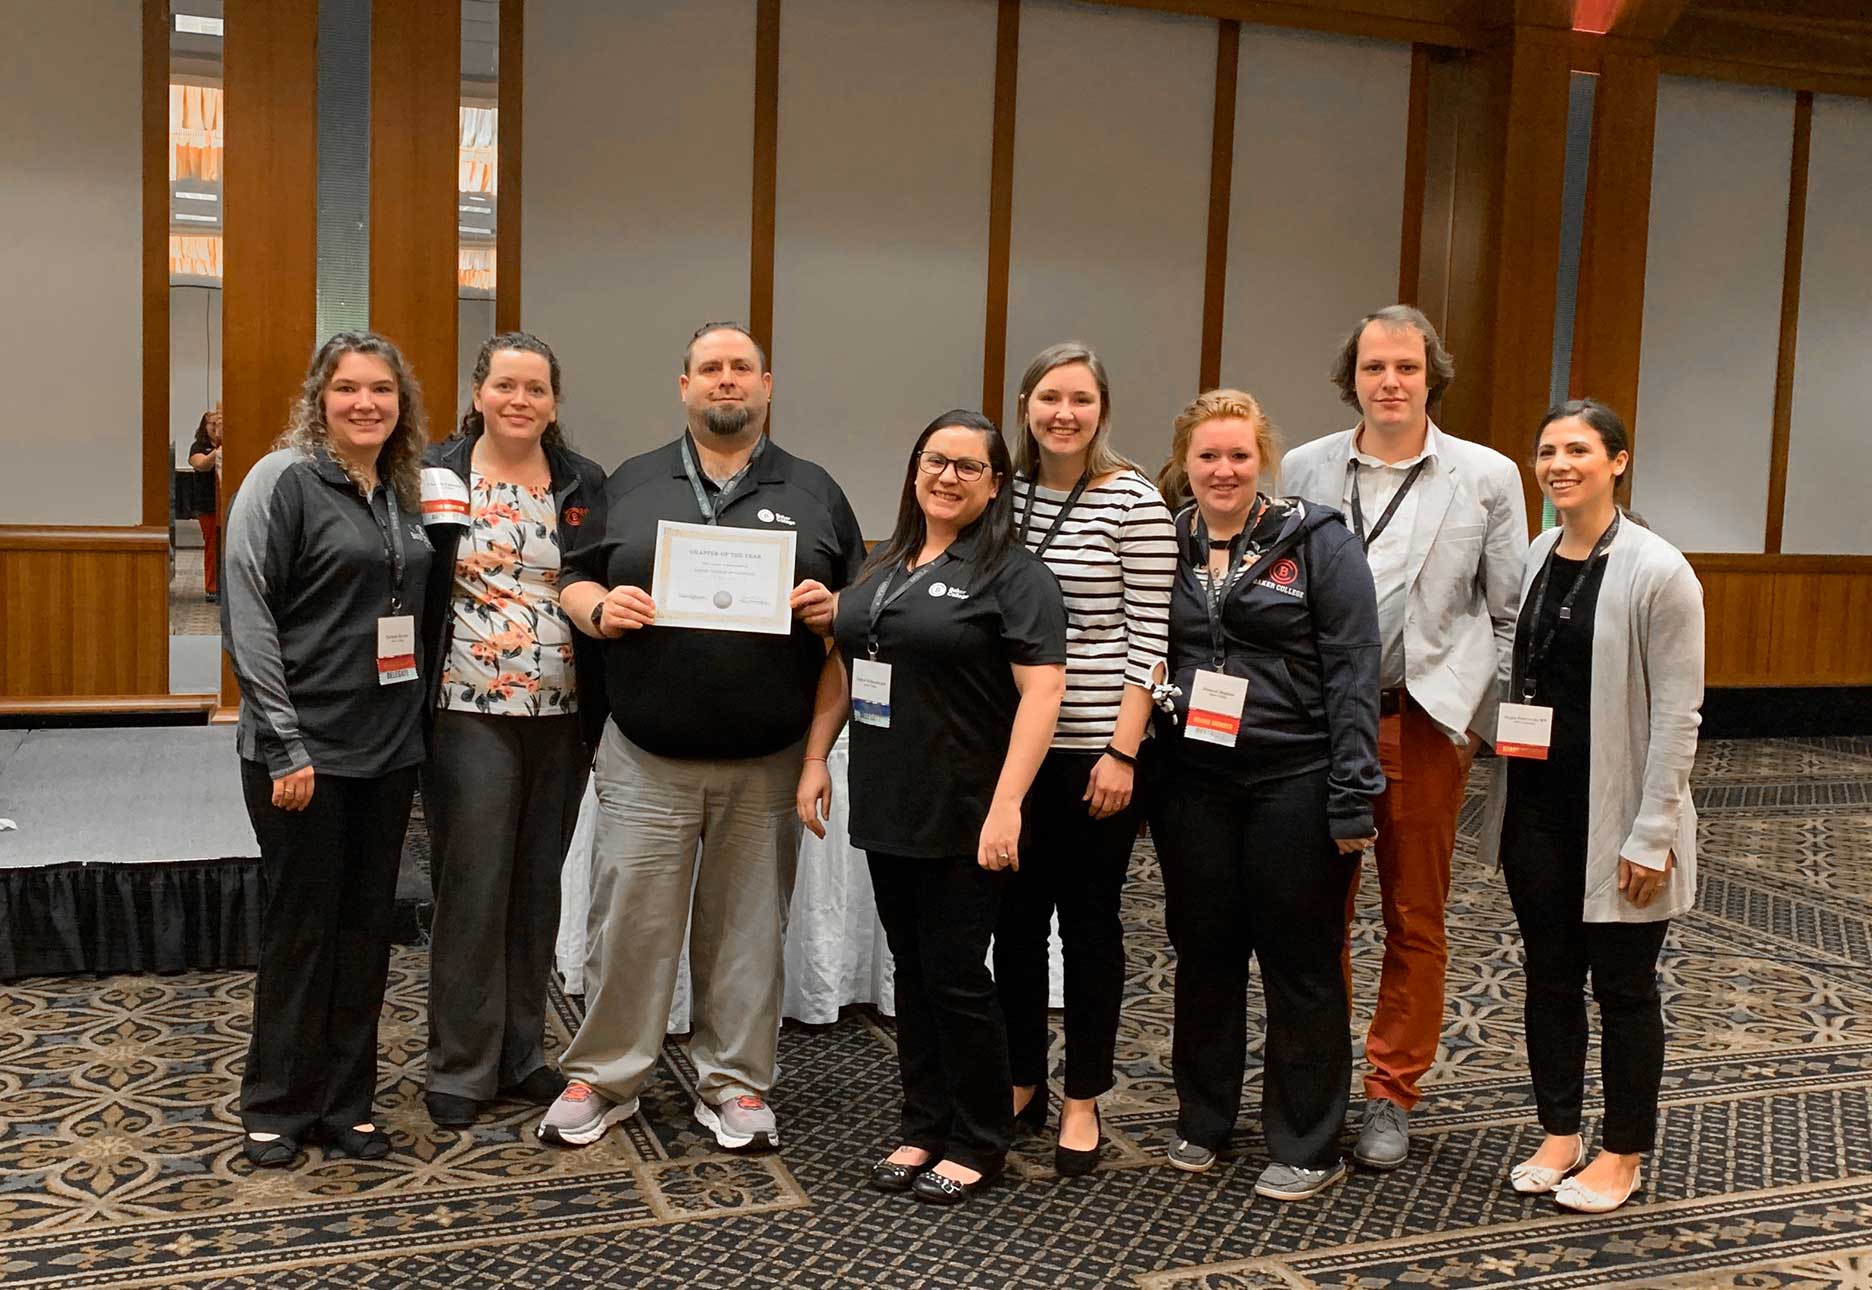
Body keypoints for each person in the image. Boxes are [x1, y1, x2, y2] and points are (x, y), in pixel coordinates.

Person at [536, 322, 866, 1153]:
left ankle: (737, 1086)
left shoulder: (817, 489)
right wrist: (598, 611)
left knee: (751, 931)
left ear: (767, 386)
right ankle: (606, 1077)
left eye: (742, 369)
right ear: (683, 385)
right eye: (710, 369)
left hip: (768, 760)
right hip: (648, 754)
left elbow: (859, 618)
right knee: (631, 926)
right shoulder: (632, 480)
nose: (727, 381)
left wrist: (838, 612)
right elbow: (572, 576)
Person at [1280, 305, 1527, 1170]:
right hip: (1315, 725)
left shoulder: (1488, 476)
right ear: (1352, 376)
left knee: (1414, 914)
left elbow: (1509, 614)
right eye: (1376, 366)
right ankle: (1323, 1078)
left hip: (1421, 720)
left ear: (1432, 378)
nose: (1391, 382)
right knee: (1321, 913)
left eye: (1408, 369)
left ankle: (1392, 1091)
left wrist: (1473, 725)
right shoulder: (1303, 467)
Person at [802, 409, 1067, 1205]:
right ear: (915, 468)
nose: (946, 476)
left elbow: (1042, 691)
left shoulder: (1015, 576)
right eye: (933, 461)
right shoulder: (886, 564)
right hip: (889, 799)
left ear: (995, 484)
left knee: (956, 976)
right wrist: (815, 757)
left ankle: (980, 1139)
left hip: (967, 805)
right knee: (911, 972)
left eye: (966, 466)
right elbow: (847, 665)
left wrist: (1008, 805)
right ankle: (923, 1126)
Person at [1147, 389, 1382, 1202]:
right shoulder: (1163, 540)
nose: (1223, 470)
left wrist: (1356, 794)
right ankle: (1203, 1118)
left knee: (1299, 962)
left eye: (1239, 456)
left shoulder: (1316, 540)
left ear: (1263, 460)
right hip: (1192, 783)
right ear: (1185, 462)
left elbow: (1356, 671)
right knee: (1203, 955)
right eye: (1207, 456)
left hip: (1296, 777)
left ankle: (1308, 1142)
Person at [1479, 399, 1702, 1214]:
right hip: (1535, 809)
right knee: (1548, 976)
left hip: (1620, 818)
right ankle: (1560, 1132)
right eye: (1546, 451)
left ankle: (1622, 1151)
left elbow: (1681, 716)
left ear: (1618, 461)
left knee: (1624, 989)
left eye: (1578, 449)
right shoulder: (1542, 550)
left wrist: (1653, 834)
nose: (1558, 464)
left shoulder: (1657, 569)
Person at [221, 332, 435, 1167]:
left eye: (382, 389)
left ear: (400, 403)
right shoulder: (281, 481)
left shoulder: (401, 491)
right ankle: (275, 1101)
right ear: (320, 398)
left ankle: (347, 1103)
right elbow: (249, 617)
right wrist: (285, 744)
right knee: (302, 931)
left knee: (365, 931)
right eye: (347, 389)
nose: (365, 404)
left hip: (386, 752)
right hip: (300, 752)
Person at [993, 343, 1176, 1175]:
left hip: (1098, 751)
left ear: (1103, 410)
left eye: (1081, 400)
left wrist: (1122, 751)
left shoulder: (1132, 501)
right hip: (1012, 754)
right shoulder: (1002, 493)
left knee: (1092, 928)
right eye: (1048, 398)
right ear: (1025, 403)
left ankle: (1083, 1098)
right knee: (1017, 927)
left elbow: (1152, 638)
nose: (1063, 413)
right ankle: (1024, 1079)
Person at [417, 332, 608, 1128]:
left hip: (563, 713)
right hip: (469, 709)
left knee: (535, 886)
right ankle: (460, 1064)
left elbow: (602, 573)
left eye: (536, 388)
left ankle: (522, 1052)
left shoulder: (581, 480)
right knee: (474, 886)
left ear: (554, 401)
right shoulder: (437, 472)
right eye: (505, 385)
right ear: (477, 392)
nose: (519, 400)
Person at [186, 405, 224, 601]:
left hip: (226, 503)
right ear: (204, 426)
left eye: (219, 422)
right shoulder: (198, 447)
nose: (215, 426)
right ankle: (212, 586)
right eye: (212, 423)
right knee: (212, 545)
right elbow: (201, 464)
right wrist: (217, 450)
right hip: (207, 505)